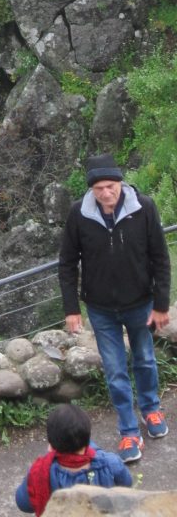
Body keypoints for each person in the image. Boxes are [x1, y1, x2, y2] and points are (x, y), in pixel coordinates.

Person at [58, 153, 171, 463]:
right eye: (99, 189)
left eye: (110, 187)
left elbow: (160, 257)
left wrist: (161, 304)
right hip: (101, 308)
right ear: (91, 190)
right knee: (116, 371)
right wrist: (71, 308)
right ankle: (128, 432)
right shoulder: (79, 215)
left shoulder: (143, 208)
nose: (106, 194)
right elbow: (67, 263)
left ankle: (151, 410)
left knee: (145, 359)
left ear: (120, 183)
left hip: (140, 302)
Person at [15, 403, 132, 515]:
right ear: (87, 438)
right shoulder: (110, 463)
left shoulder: (41, 471)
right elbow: (126, 486)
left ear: (51, 444)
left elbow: (23, 503)